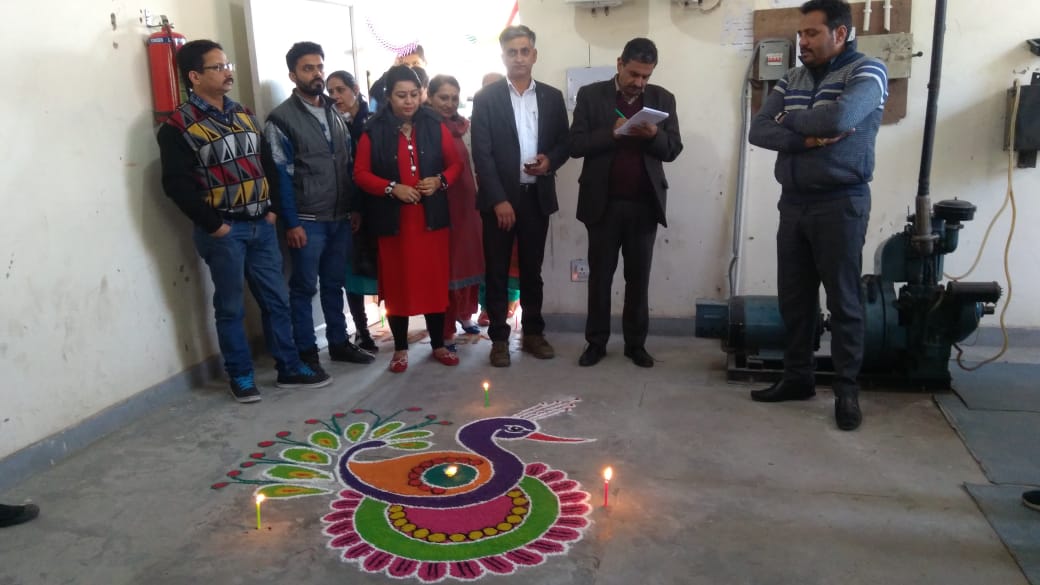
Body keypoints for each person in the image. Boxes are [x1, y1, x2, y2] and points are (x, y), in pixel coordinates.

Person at [157, 39, 330, 403]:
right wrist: (214, 224)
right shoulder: (178, 126)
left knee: (276, 300)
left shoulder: (243, 113)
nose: (228, 72)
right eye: (218, 67)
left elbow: (266, 163)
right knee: (231, 307)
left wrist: (271, 212)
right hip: (224, 231)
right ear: (194, 76)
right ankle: (241, 375)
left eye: (227, 64)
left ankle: (288, 367)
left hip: (260, 225)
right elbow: (176, 185)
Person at [748, 0, 888, 431]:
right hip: (794, 201)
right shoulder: (792, 76)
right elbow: (759, 128)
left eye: (811, 34)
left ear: (840, 34)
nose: (802, 42)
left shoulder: (867, 72)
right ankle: (798, 378)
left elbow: (842, 116)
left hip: (840, 201)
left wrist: (790, 119)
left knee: (844, 301)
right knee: (795, 298)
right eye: (801, 34)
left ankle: (846, 391)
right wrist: (805, 137)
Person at [569, 38, 683, 369]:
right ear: (620, 63)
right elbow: (576, 145)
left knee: (638, 279)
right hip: (602, 204)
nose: (639, 83)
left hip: (644, 205)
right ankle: (596, 343)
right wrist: (612, 134)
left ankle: (636, 345)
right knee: (600, 278)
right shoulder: (591, 96)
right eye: (634, 74)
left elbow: (673, 149)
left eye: (646, 76)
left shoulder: (663, 99)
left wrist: (653, 137)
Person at [265, 42, 374, 370]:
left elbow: (348, 164)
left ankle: (339, 343)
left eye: (319, 67)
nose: (316, 74)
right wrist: (292, 222)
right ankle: (307, 351)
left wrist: (354, 207)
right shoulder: (281, 119)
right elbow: (279, 174)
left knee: (335, 283)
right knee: (302, 287)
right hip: (307, 218)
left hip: (340, 216)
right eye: (308, 69)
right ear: (293, 74)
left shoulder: (334, 111)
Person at [353, 65, 464, 373]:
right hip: (395, 223)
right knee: (399, 286)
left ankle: (438, 344)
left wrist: (439, 181)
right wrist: (392, 188)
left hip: (431, 221)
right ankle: (400, 348)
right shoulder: (373, 130)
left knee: (433, 284)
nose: (409, 101)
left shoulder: (434, 123)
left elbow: (456, 166)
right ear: (388, 97)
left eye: (415, 95)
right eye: (401, 96)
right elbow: (360, 174)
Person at [471, 25, 570, 367]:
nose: (518, 58)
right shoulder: (486, 99)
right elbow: (481, 154)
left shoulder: (552, 97)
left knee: (532, 270)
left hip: (536, 197)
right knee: (497, 271)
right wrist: (498, 199)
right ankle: (498, 339)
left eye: (524, 51)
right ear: (503, 56)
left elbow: (564, 142)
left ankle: (533, 334)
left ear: (534, 55)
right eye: (512, 52)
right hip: (499, 199)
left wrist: (550, 160)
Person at [426, 75, 484, 349]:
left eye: (453, 97)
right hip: (439, 204)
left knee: (467, 259)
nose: (449, 103)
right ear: (430, 97)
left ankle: (464, 315)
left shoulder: (464, 127)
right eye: (443, 97)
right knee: (443, 266)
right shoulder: (423, 128)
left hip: (467, 204)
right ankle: (444, 329)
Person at [327, 70, 379, 353]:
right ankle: (362, 331)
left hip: (378, 205)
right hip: (348, 206)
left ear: (355, 89)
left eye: (340, 90)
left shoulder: (373, 122)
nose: (336, 97)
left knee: (383, 268)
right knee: (353, 272)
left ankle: (398, 326)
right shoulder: (332, 121)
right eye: (331, 92)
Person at [369, 44, 427, 112]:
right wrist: (394, 68)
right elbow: (375, 92)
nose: (411, 68)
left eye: (415, 63)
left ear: (424, 63)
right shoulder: (396, 88)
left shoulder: (435, 86)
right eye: (406, 65)